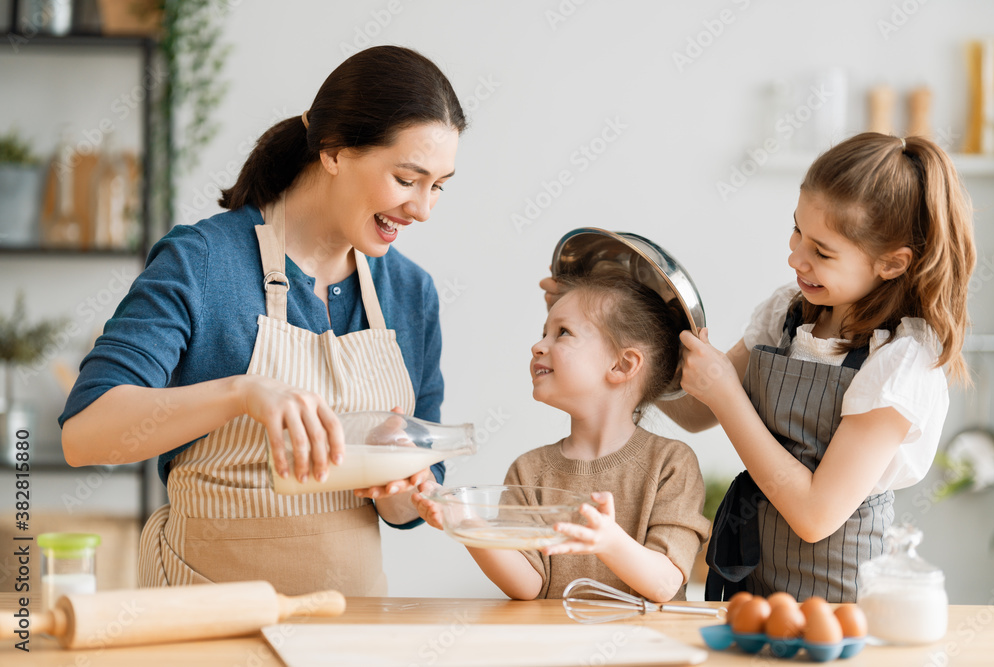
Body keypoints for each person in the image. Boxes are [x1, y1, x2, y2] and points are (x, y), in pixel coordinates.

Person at [59, 45, 466, 596]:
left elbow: (413, 503)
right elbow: (86, 436)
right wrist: (240, 394)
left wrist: (404, 487)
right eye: (406, 178)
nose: (422, 209)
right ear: (333, 152)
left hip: (351, 629)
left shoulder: (410, 292)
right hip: (205, 625)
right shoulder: (204, 261)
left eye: (438, 185)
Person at [659, 132, 976, 602]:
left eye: (822, 252)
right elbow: (694, 410)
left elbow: (814, 515)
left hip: (838, 607)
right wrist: (615, 340)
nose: (795, 258)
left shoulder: (902, 361)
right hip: (754, 590)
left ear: (891, 263)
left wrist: (727, 394)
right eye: (797, 231)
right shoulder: (788, 313)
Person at [414, 274, 711, 602]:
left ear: (622, 364)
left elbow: (665, 584)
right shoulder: (528, 471)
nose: (538, 345)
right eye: (544, 333)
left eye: (562, 333)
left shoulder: (671, 464)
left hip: (648, 650)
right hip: (556, 649)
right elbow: (529, 586)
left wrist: (610, 542)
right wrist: (466, 525)